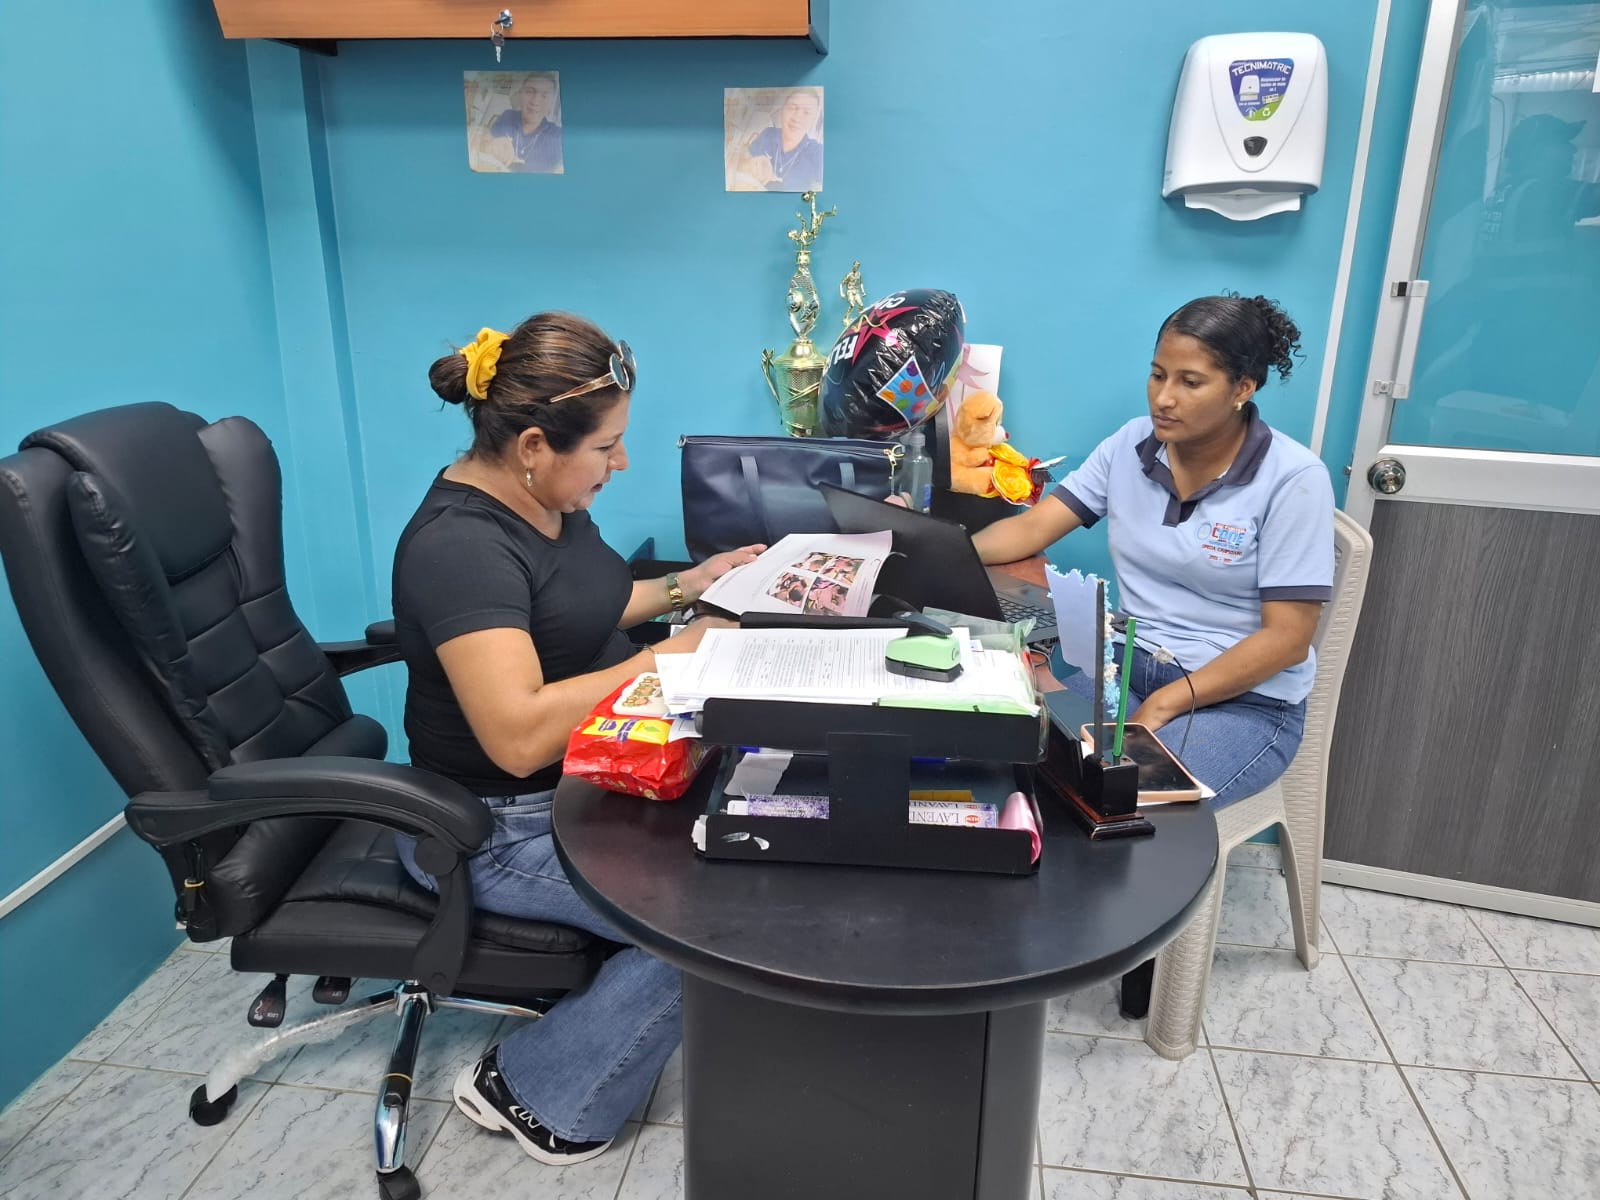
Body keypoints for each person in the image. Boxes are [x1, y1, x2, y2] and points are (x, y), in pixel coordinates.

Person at [391, 311, 761, 1165]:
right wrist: (668, 658)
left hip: (582, 781)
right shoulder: (461, 548)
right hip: (488, 828)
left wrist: (690, 585)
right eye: (606, 447)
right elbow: (518, 736)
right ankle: (535, 1092)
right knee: (717, 919)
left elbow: (582, 606)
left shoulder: (545, 503)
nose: (619, 463)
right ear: (533, 446)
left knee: (756, 835)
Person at [975, 294, 1334, 809]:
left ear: (1243, 388)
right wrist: (941, 550)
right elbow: (1032, 528)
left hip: (1242, 702)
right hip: (1128, 667)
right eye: (1158, 375)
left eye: (1190, 382)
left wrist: (1167, 702)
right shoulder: (1132, 444)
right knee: (1018, 755)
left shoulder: (1294, 479)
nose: (1164, 398)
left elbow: (1288, 640)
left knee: (1123, 803)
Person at [737, 88, 824, 191]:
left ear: (813, 120)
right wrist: (749, 164)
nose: (797, 118)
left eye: (807, 112)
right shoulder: (768, 134)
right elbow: (738, 163)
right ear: (782, 110)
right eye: (792, 108)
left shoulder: (818, 152)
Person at [485, 75, 564, 173]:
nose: (535, 101)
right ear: (520, 95)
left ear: (551, 104)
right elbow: (485, 146)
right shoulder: (507, 116)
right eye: (529, 92)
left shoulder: (558, 136)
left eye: (544, 96)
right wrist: (490, 145)